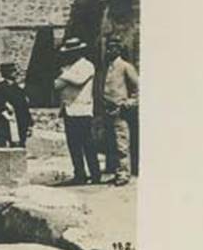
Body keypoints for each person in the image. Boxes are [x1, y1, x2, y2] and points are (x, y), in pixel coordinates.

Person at [54, 36, 101, 185]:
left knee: (88, 144)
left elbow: (78, 81)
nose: (69, 55)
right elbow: (56, 85)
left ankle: (95, 174)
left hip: (82, 109)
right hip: (69, 109)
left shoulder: (86, 65)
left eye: (73, 52)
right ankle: (79, 174)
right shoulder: (71, 68)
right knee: (73, 145)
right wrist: (66, 77)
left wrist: (65, 75)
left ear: (79, 51)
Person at [103, 36, 140, 186]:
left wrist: (130, 102)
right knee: (111, 143)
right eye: (108, 47)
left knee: (121, 143)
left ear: (119, 49)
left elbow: (139, 88)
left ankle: (124, 174)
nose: (110, 50)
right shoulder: (107, 67)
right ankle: (116, 171)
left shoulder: (125, 67)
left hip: (120, 110)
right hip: (107, 110)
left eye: (113, 47)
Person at [0, 62, 32, 147]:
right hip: (8, 120)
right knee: (7, 143)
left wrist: (29, 123)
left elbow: (24, 107)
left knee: (21, 144)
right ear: (7, 73)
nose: (16, 74)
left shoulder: (18, 88)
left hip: (21, 122)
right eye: (13, 71)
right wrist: (4, 106)